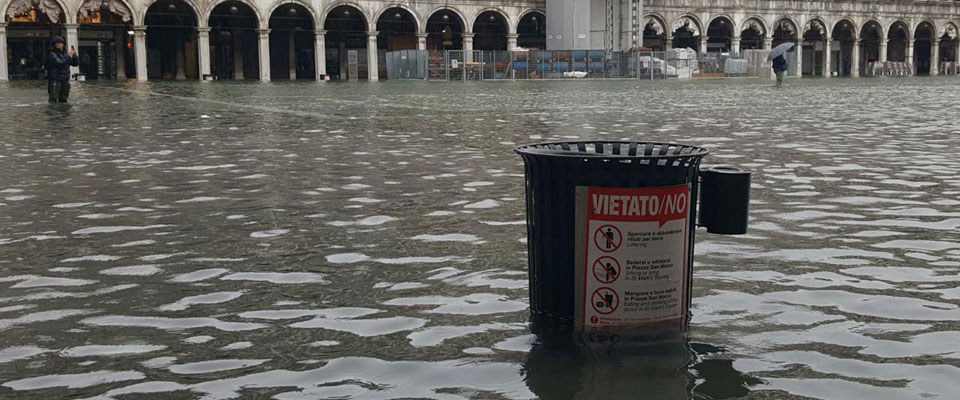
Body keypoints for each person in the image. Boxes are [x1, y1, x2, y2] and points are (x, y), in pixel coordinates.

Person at [44, 36, 79, 104]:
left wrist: (75, 56)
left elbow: (75, 64)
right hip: (55, 79)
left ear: (63, 44)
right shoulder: (52, 54)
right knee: (54, 99)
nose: (58, 44)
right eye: (56, 43)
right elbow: (60, 63)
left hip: (65, 79)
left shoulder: (65, 54)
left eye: (60, 43)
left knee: (64, 99)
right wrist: (69, 56)